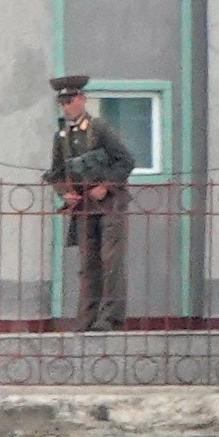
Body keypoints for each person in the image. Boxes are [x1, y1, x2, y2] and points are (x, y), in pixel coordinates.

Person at [47, 74, 138, 329]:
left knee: (111, 262)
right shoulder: (62, 136)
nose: (66, 106)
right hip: (85, 209)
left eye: (70, 100)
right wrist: (65, 192)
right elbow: (54, 173)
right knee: (88, 266)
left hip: (110, 205)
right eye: (62, 102)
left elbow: (126, 161)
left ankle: (111, 319)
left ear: (82, 100)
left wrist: (106, 186)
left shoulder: (99, 129)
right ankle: (86, 320)